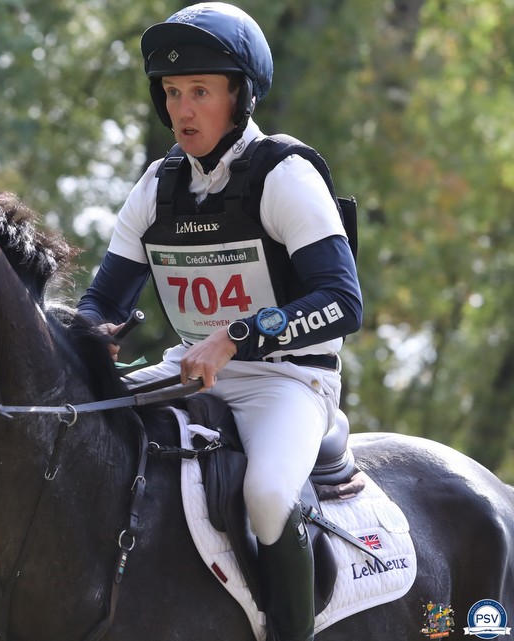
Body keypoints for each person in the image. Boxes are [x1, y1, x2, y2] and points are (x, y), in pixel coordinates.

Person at [77, 3, 362, 641]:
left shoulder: (285, 176)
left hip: (288, 381)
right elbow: (104, 305)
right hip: (192, 371)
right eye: (173, 93)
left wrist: (235, 337)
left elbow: (344, 302)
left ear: (241, 97)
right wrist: (76, 339)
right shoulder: (158, 185)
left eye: (201, 92)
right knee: (86, 433)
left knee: (266, 497)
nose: (183, 110)